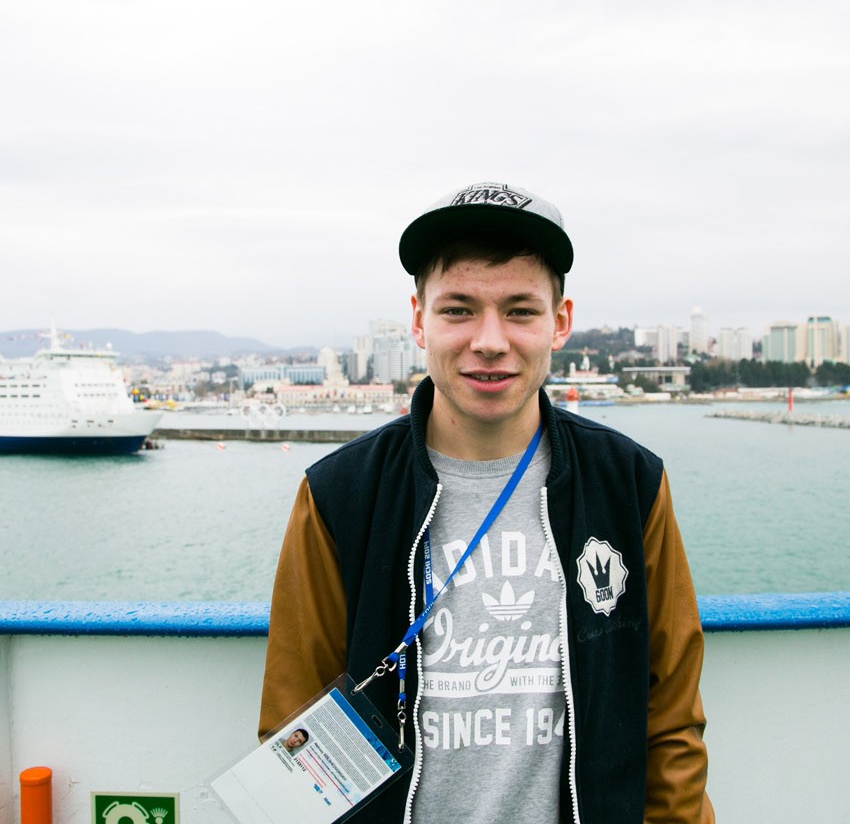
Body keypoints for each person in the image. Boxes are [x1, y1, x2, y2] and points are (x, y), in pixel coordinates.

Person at [260, 182, 713, 823]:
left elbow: (669, 720)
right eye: (459, 310)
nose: (491, 340)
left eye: (521, 311)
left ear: (560, 321)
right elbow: (295, 725)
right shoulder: (341, 495)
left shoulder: (628, 483)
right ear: (419, 320)